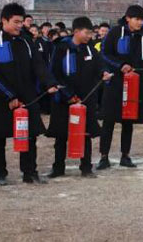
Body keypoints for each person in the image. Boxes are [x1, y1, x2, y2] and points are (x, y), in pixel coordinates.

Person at [0, 3, 59, 185]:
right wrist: (9, 95)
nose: (19, 25)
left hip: (27, 95)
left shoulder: (26, 41)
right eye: (16, 22)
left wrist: (49, 82)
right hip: (0, 97)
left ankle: (29, 172)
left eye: (21, 22)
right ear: (4, 20)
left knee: (30, 135)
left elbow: (38, 65)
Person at [97, 5, 143, 170]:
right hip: (115, 83)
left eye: (142, 19)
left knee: (128, 120)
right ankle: (104, 156)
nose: (139, 23)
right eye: (136, 19)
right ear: (128, 18)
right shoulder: (115, 32)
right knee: (109, 121)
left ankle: (125, 155)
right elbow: (105, 53)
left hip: (135, 83)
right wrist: (120, 65)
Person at [46, 17, 111, 178]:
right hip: (64, 99)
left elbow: (99, 64)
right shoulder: (61, 48)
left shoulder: (90, 49)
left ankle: (86, 167)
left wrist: (103, 73)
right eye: (86, 32)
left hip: (86, 99)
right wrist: (68, 95)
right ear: (76, 31)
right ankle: (58, 167)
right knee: (61, 135)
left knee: (86, 134)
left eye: (91, 33)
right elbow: (54, 73)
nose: (89, 36)